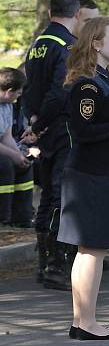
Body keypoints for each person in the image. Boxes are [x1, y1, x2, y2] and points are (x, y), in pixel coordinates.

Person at [58, 17, 109, 340]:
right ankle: (86, 322)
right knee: (92, 251)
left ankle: (83, 321)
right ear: (96, 43)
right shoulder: (88, 84)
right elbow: (82, 131)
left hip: (96, 173)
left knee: (90, 251)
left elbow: (105, 125)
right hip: (89, 175)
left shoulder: (104, 80)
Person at [22, 0, 79, 290]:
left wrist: (34, 121)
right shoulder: (67, 45)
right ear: (76, 13)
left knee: (47, 194)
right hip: (61, 128)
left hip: (43, 128)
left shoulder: (37, 45)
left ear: (49, 13)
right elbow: (61, 91)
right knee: (60, 194)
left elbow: (31, 89)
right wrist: (43, 122)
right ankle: (57, 263)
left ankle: (45, 262)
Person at [0, 68, 33, 228]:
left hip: (3, 149)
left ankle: (22, 216)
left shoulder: (7, 106)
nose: (19, 96)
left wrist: (19, 154)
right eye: (18, 93)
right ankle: (3, 217)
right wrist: (13, 156)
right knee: (5, 164)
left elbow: (6, 136)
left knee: (25, 165)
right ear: (9, 91)